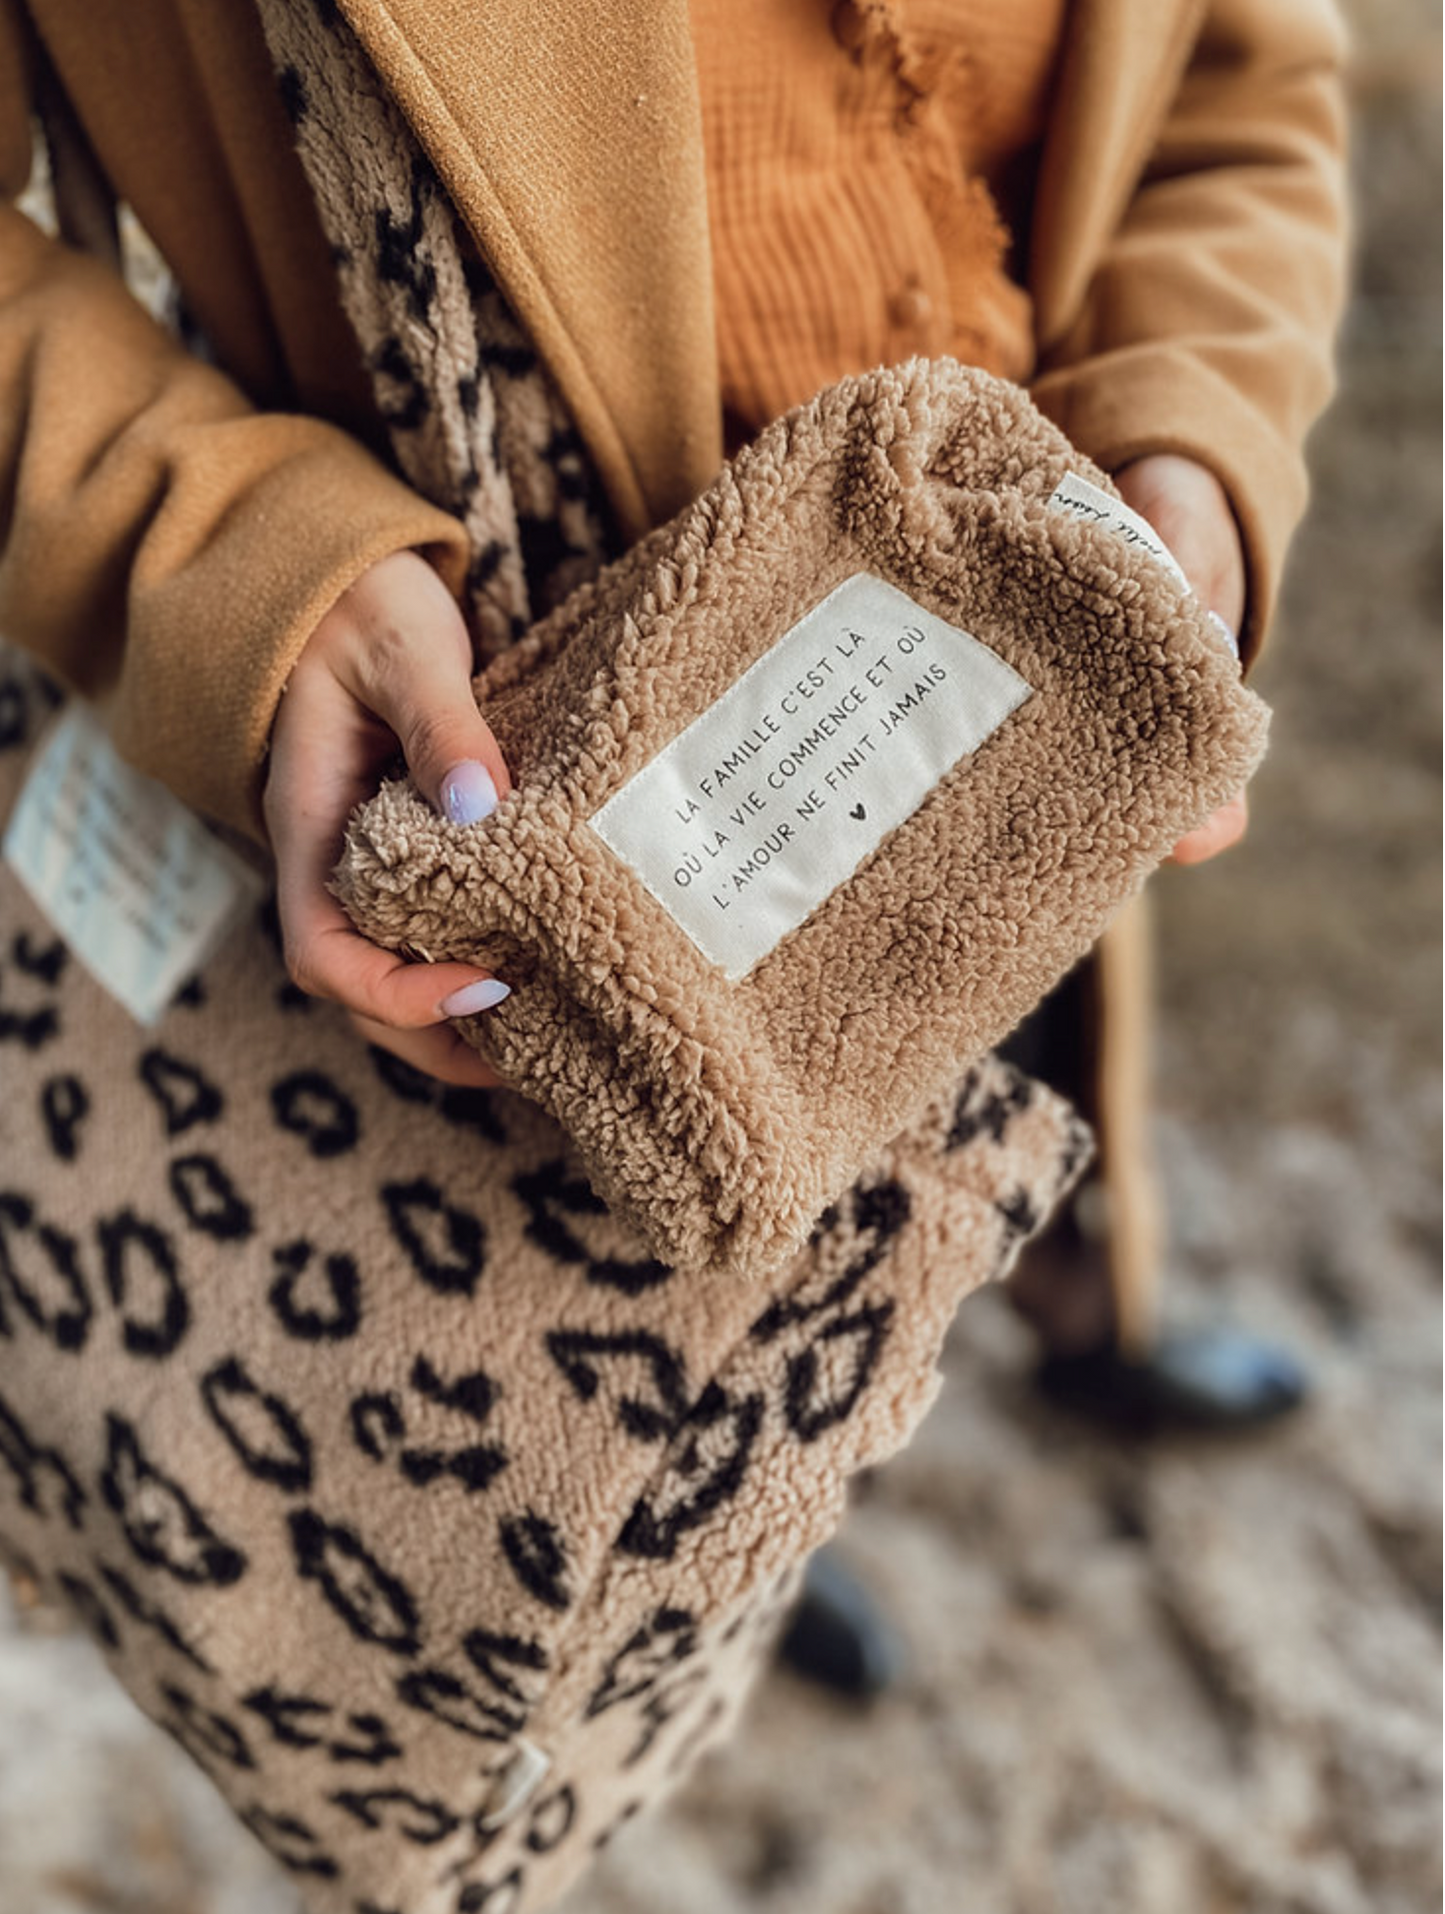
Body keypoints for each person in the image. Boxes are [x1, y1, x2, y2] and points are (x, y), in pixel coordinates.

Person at [1, 0, 1347, 1680]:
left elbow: (1241, 67)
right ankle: (744, 1522)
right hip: (531, 691)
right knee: (679, 1231)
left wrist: (1195, 427)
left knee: (1029, 1012)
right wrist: (223, 548)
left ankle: (1086, 1303)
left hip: (1016, 585)